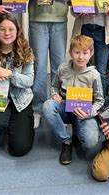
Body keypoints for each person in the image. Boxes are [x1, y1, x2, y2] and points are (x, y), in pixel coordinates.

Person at [27, 0, 75, 129]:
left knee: (59, 66)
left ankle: (58, 106)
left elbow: (73, 3)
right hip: (38, 21)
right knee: (39, 68)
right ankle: (37, 109)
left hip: (59, 22)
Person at [42, 35, 104, 165]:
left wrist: (90, 113)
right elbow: (54, 86)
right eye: (76, 52)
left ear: (91, 54)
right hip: (65, 107)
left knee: (90, 141)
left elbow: (100, 101)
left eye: (85, 53)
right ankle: (66, 141)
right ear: (70, 53)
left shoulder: (94, 75)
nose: (80, 57)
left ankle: (77, 129)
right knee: (47, 106)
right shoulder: (62, 69)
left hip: (84, 113)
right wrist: (54, 94)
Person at [0, 13, 35, 156]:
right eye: (2, 29)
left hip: (21, 101)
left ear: (17, 31)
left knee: (19, 149)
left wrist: (10, 74)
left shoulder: (26, 51)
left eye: (11, 29)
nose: (7, 33)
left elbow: (29, 80)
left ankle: (17, 126)